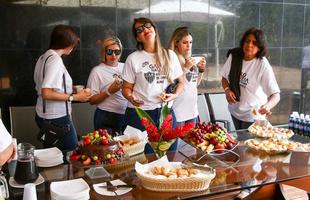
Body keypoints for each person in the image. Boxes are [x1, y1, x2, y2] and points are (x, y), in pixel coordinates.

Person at [34, 25, 91, 151]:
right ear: (68, 43)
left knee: (53, 155)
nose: (74, 47)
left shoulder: (43, 57)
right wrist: (75, 97)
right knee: (72, 154)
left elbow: (48, 85)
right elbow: (46, 93)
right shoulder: (55, 60)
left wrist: (72, 88)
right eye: (73, 44)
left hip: (43, 115)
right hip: (57, 117)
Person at [122, 17, 184, 131]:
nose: (145, 30)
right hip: (140, 115)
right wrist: (131, 98)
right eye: (139, 30)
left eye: (147, 25)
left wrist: (174, 95)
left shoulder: (170, 55)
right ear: (138, 38)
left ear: (155, 29)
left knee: (170, 149)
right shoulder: (133, 58)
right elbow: (126, 88)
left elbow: (181, 82)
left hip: (166, 113)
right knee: (143, 149)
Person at [220, 27, 280, 130]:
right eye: (247, 41)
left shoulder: (262, 65)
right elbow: (224, 78)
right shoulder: (234, 56)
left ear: (260, 47)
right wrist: (227, 90)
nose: (249, 45)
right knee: (240, 141)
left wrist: (267, 106)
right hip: (235, 111)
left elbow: (275, 95)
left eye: (254, 43)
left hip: (253, 115)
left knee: (249, 144)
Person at [87, 36, 127, 136]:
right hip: (106, 116)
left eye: (117, 52)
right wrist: (109, 91)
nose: (113, 55)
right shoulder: (97, 71)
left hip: (126, 115)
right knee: (107, 150)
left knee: (127, 149)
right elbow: (91, 100)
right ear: (104, 52)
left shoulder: (125, 67)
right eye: (109, 52)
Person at [168, 27, 206, 128]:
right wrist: (185, 68)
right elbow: (172, 86)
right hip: (177, 110)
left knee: (190, 143)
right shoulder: (171, 60)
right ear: (176, 43)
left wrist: (201, 70)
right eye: (185, 42)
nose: (189, 45)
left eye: (190, 42)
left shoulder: (190, 59)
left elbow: (194, 85)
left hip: (192, 109)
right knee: (177, 143)